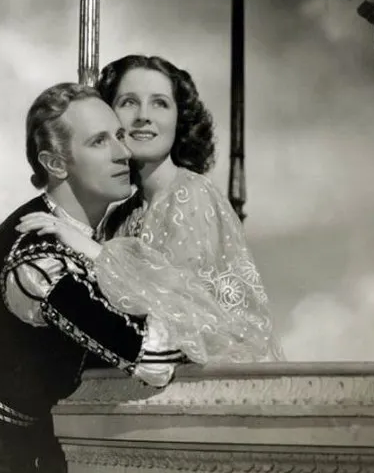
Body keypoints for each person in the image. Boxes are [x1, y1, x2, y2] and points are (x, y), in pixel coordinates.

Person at [0, 83, 184, 473]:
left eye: (119, 135)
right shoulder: (39, 260)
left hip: (9, 467)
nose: (123, 153)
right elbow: (155, 359)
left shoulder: (90, 239)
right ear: (56, 163)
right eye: (99, 141)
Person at [19, 56, 284, 363]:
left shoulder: (191, 194)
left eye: (160, 103)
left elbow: (190, 319)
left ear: (179, 119)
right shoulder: (122, 213)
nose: (143, 116)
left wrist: (95, 252)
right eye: (129, 102)